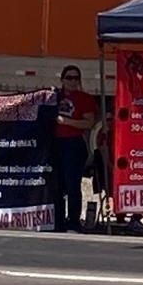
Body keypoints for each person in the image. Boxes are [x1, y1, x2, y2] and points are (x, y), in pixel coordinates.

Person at [53, 65, 97, 232]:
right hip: (55, 143)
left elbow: (89, 122)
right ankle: (57, 221)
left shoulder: (85, 99)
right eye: (69, 78)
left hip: (73, 144)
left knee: (73, 185)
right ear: (62, 79)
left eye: (75, 78)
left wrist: (66, 122)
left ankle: (73, 222)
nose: (72, 81)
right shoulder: (54, 97)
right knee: (57, 185)